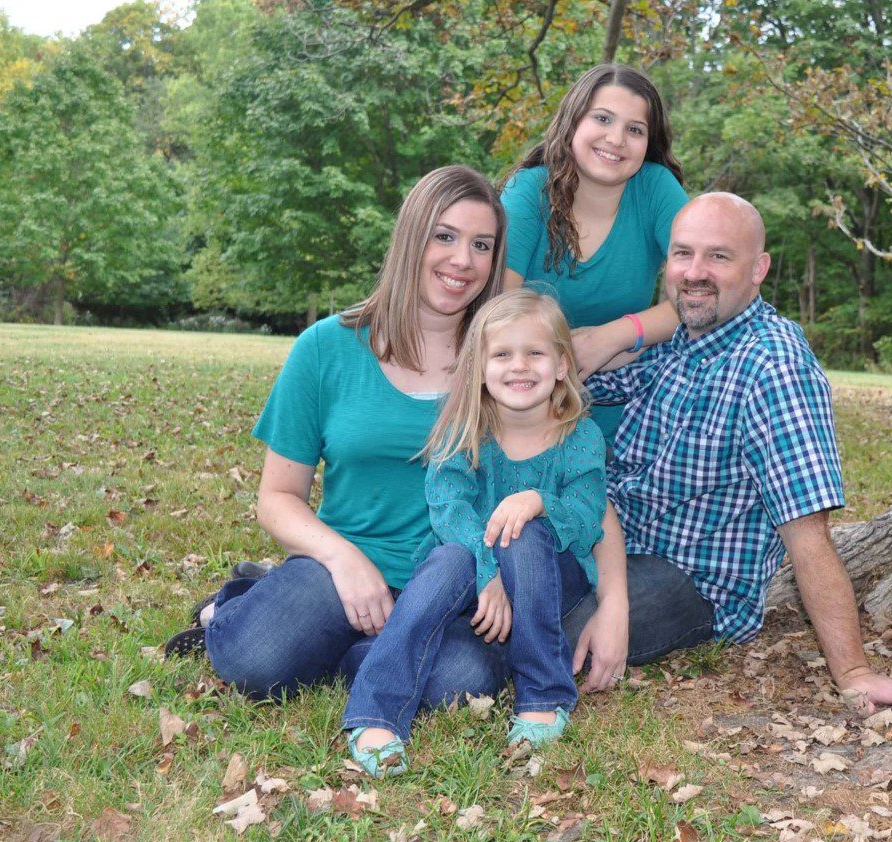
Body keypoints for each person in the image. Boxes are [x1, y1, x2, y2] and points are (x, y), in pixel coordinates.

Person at [163, 166, 621, 708]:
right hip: (343, 567)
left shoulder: (509, 363)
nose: (462, 261)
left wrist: (614, 605)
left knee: (462, 681)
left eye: (481, 245)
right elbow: (277, 497)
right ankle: (246, 602)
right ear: (410, 238)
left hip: (459, 581)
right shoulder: (326, 348)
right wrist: (345, 561)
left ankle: (358, 650)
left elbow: (581, 491)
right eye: (444, 236)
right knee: (257, 662)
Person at [584, 193, 892, 715]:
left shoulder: (772, 368)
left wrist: (853, 673)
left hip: (685, 581)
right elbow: (581, 378)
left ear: (758, 269)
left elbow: (808, 534)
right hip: (615, 540)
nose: (695, 272)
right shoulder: (683, 337)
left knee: (551, 627)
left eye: (718, 257)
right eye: (683, 254)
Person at [341, 290, 614, 776]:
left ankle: (542, 696)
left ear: (561, 365)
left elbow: (588, 513)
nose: (519, 366)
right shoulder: (463, 431)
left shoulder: (581, 436)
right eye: (502, 354)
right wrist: (491, 572)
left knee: (523, 530)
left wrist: (535, 501)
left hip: (551, 577)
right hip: (472, 582)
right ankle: (376, 712)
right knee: (450, 557)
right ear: (480, 368)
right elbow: (448, 511)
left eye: (535, 352)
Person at [500, 64, 689, 440]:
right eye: (602, 118)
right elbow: (497, 307)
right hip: (527, 411)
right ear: (573, 122)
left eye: (635, 129)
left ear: (648, 143)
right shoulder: (529, 191)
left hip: (629, 421)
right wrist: (565, 353)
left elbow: (699, 297)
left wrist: (616, 336)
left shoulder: (655, 189)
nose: (616, 138)